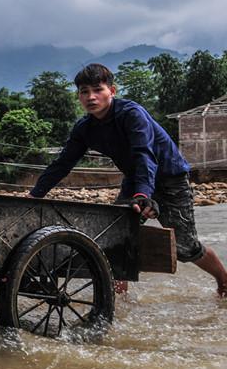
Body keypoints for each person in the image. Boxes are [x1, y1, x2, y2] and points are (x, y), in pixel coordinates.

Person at [29, 63, 227, 298]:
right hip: (135, 179)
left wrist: (142, 195)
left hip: (170, 178)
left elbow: (144, 155)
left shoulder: (131, 114)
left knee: (185, 247)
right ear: (78, 96)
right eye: (84, 92)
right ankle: (117, 299)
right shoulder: (84, 128)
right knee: (116, 240)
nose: (91, 97)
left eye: (97, 89)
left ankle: (224, 281)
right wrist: (35, 195)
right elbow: (62, 164)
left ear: (112, 91)